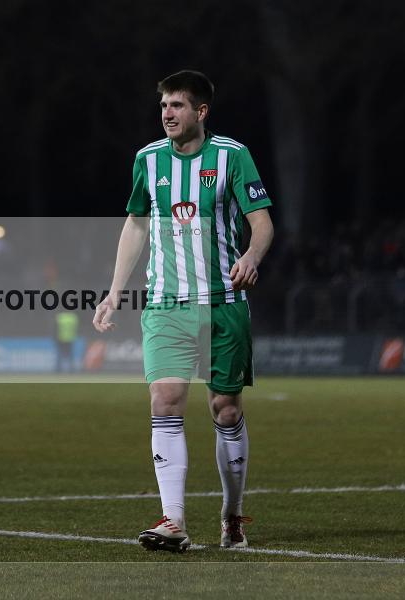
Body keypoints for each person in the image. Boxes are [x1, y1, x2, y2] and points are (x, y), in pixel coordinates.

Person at [92, 70, 274, 553]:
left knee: (225, 408)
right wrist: (114, 291)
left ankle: (232, 515)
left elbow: (262, 221)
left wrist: (251, 256)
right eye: (164, 106)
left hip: (222, 303)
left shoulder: (232, 156)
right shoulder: (148, 160)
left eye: (177, 106)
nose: (167, 114)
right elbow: (135, 225)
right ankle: (172, 521)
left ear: (201, 112)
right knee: (165, 400)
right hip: (165, 304)